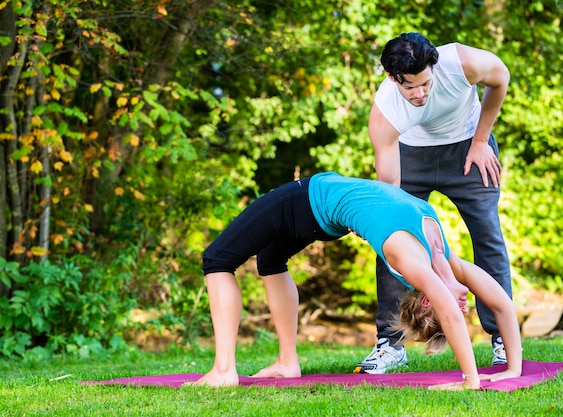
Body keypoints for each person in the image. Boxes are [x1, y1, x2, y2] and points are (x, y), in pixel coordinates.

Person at [195, 172, 522, 389]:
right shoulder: (447, 259)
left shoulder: (415, 263)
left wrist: (471, 379)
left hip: (308, 201)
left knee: (218, 259)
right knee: (270, 260)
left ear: (427, 300)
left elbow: (448, 313)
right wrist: (513, 370)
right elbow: (503, 304)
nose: (462, 309)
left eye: (450, 308)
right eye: (462, 309)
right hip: (323, 213)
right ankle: (286, 362)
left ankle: (224, 370)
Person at [355, 32, 512, 374]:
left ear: (434, 66)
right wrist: (384, 224)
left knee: (487, 234)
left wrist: (482, 140)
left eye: (425, 83)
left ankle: (502, 338)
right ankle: (391, 344)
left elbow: (501, 79)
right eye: (409, 86)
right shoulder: (385, 113)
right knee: (395, 240)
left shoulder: (462, 62)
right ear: (391, 77)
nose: (419, 93)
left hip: (469, 146)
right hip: (410, 155)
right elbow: (389, 194)